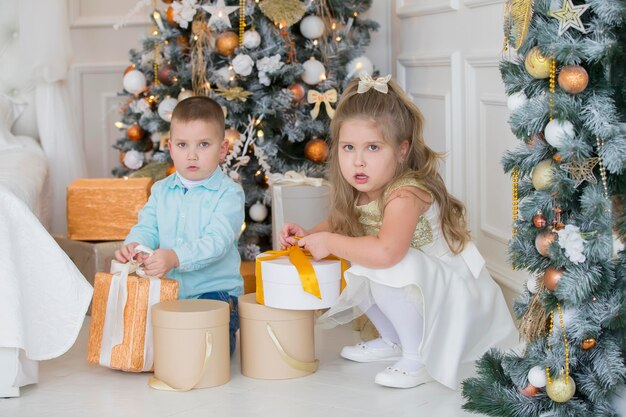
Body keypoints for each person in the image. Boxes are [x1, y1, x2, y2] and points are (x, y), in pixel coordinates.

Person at [280, 74, 516, 389]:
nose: (358, 161)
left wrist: (332, 242)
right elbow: (340, 226)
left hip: (455, 297)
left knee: (382, 259)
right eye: (349, 147)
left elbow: (389, 251)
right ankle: (393, 340)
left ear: (402, 151)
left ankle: (417, 355)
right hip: (423, 289)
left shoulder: (405, 194)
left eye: (373, 148)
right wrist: (309, 235)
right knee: (357, 254)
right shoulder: (364, 191)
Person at [115, 96, 245, 356]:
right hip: (168, 293)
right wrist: (134, 246)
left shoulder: (228, 194)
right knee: (146, 342)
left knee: (201, 353)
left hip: (215, 294)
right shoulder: (162, 190)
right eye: (183, 145)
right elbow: (148, 227)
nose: (192, 155)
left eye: (204, 145)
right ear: (171, 148)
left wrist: (175, 257)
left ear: (222, 149)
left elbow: (216, 242)